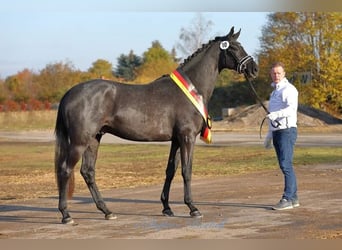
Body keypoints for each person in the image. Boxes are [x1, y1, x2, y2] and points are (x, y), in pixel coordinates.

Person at [264, 62, 299, 210]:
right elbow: (273, 117)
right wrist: (269, 135)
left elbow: (291, 109)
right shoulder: (274, 92)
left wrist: (276, 114)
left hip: (287, 130)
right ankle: (294, 198)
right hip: (277, 131)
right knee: (284, 164)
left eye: (279, 73)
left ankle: (287, 198)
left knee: (286, 164)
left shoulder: (288, 89)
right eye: (273, 73)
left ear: (284, 74)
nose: (276, 75)